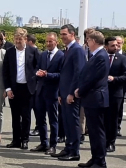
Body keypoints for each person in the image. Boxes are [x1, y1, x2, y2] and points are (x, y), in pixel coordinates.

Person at [75, 31, 109, 168]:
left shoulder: (101, 56)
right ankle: (95, 159)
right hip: (91, 98)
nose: (87, 43)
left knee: (97, 131)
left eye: (88, 40)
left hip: (96, 98)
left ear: (94, 41)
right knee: (94, 132)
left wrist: (80, 90)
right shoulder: (96, 55)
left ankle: (100, 161)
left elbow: (93, 79)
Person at [51, 24, 86, 161]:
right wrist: (61, 93)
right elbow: (64, 73)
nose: (62, 37)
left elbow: (78, 73)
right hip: (64, 93)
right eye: (61, 34)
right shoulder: (68, 50)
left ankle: (74, 151)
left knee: (73, 122)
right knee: (66, 122)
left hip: (71, 94)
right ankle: (68, 148)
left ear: (72, 34)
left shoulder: (77, 50)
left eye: (64, 34)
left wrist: (72, 92)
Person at [3, 28, 39, 149]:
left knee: (26, 116)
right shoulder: (9, 52)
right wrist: (8, 89)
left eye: (20, 39)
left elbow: (38, 68)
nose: (18, 41)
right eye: (16, 39)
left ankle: (25, 140)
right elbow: (5, 72)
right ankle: (16, 140)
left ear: (25, 39)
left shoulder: (33, 51)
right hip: (14, 88)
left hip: (27, 89)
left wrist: (35, 84)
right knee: (15, 116)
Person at [30, 32, 64, 155]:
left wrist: (47, 75)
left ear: (56, 42)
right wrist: (38, 73)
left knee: (53, 120)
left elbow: (62, 74)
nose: (48, 44)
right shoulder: (43, 54)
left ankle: (53, 145)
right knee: (40, 119)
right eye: (47, 41)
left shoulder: (61, 56)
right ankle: (44, 143)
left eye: (51, 41)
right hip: (40, 91)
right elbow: (37, 68)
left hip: (53, 92)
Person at [104, 37, 126, 153]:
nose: (115, 47)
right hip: (102, 93)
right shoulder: (101, 57)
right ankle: (102, 141)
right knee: (103, 119)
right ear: (106, 47)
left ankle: (111, 142)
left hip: (115, 93)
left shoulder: (122, 58)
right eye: (112, 46)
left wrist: (115, 79)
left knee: (113, 119)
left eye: (116, 45)